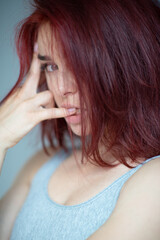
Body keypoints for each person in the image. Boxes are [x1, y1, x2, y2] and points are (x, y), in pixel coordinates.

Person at [0, 0, 160, 239]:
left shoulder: (153, 181)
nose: (62, 88)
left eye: (77, 64)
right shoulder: (42, 164)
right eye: (51, 66)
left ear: (126, 62)